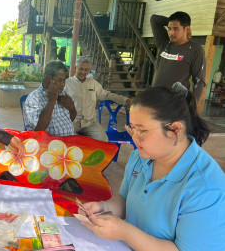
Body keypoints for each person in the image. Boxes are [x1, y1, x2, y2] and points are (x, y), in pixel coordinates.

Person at [77, 83, 225, 251]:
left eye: (142, 131)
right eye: (132, 129)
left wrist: (125, 232)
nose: (135, 138)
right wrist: (104, 207)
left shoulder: (206, 188)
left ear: (174, 129)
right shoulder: (140, 158)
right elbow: (126, 200)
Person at [65, 56, 130, 142]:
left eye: (86, 70)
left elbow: (106, 95)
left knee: (103, 139)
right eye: (81, 69)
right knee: (71, 141)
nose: (83, 72)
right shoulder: (66, 83)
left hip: (90, 123)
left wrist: (124, 100)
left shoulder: (93, 84)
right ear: (75, 68)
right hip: (72, 122)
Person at [151, 11, 206, 100]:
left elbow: (199, 81)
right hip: (155, 100)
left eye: (176, 29)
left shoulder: (195, 49)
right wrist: (171, 23)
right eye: (169, 28)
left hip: (176, 104)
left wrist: (192, 107)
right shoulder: (164, 43)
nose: (171, 33)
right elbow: (154, 19)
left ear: (187, 29)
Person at [23, 60, 76, 136]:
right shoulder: (34, 98)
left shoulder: (63, 94)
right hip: (47, 144)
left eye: (64, 80)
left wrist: (72, 108)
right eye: (59, 80)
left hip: (67, 142)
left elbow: (70, 121)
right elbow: (38, 130)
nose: (63, 84)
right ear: (48, 79)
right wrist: (52, 101)